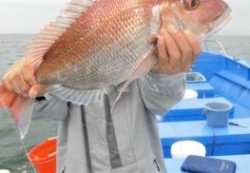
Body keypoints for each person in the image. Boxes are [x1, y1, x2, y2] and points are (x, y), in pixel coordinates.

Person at [2, 27, 201, 173]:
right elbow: (54, 109)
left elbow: (160, 102)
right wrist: (30, 86)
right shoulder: (76, 57)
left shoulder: (145, 59)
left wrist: (166, 73)